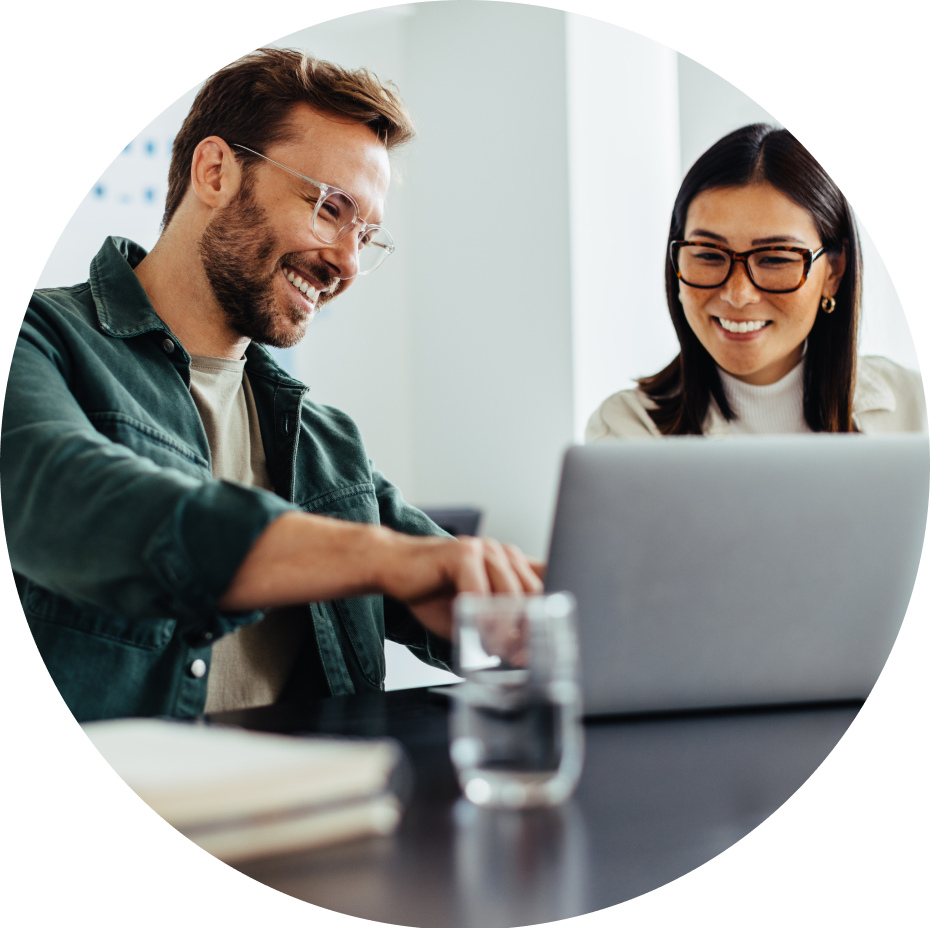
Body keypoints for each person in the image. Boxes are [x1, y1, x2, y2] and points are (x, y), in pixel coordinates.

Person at [2, 49, 542, 723]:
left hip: (324, 810)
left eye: (365, 234)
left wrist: (532, 603)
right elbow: (75, 499)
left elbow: (444, 576)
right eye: (328, 207)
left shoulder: (326, 440)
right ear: (216, 171)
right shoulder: (42, 340)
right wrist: (380, 557)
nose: (346, 260)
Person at [586, 124, 927, 440]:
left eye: (775, 259)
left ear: (834, 272)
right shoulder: (626, 429)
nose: (737, 294)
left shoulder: (915, 413)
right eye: (707, 254)